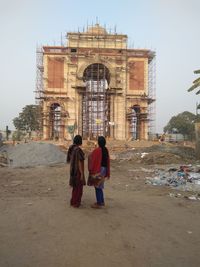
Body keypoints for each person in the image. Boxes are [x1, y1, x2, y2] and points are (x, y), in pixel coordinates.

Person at [88, 136, 110, 208]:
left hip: (98, 170)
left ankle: (99, 203)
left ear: (98, 143)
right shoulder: (106, 150)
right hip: (104, 170)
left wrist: (91, 170)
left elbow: (92, 159)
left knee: (97, 186)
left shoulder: (97, 150)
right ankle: (101, 201)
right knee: (100, 186)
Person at [67, 135, 85, 208]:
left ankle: (73, 201)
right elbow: (80, 162)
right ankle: (76, 203)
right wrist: (82, 174)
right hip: (77, 171)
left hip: (72, 170)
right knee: (78, 188)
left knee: (75, 187)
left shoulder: (72, 148)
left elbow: (69, 159)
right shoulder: (78, 150)